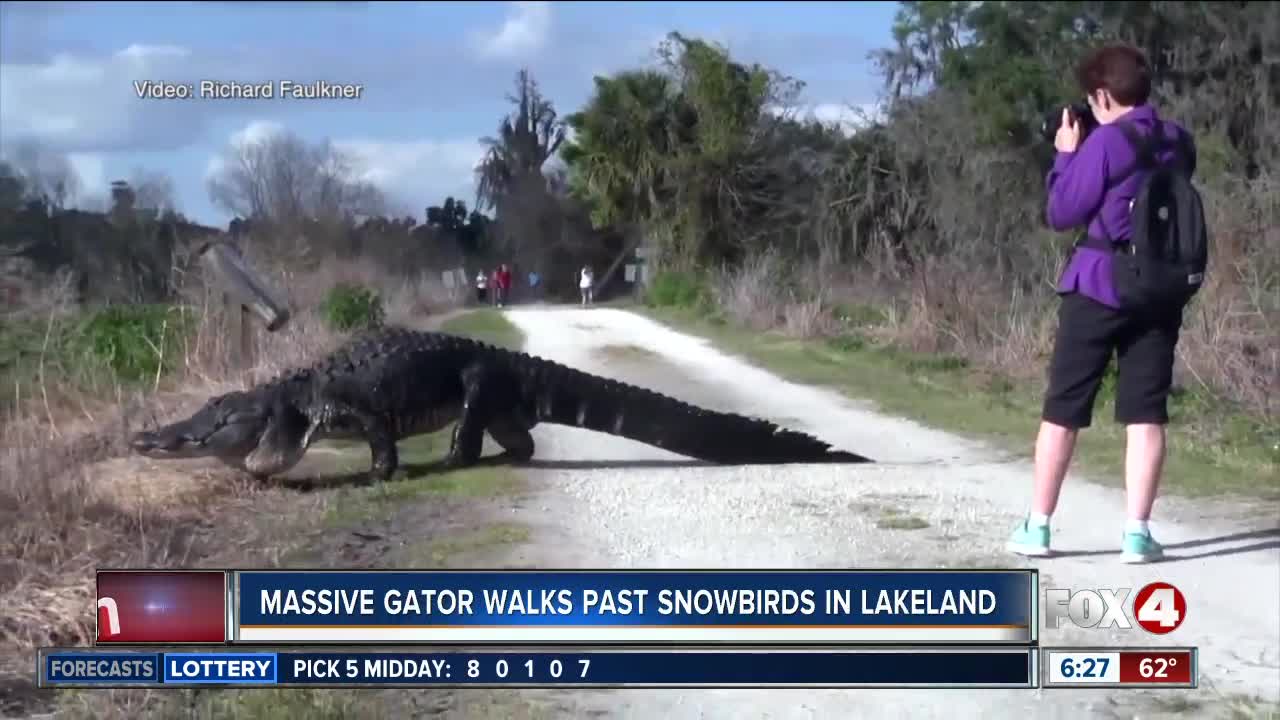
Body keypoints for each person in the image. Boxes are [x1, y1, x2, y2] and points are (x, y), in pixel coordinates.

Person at [1006, 44, 1197, 564]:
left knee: (1064, 409)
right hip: (1158, 290)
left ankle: (1038, 527)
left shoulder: (1106, 143)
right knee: (1146, 413)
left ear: (1102, 94)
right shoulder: (1179, 140)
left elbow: (1064, 211)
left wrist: (1068, 152)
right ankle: (1137, 532)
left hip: (1097, 285)